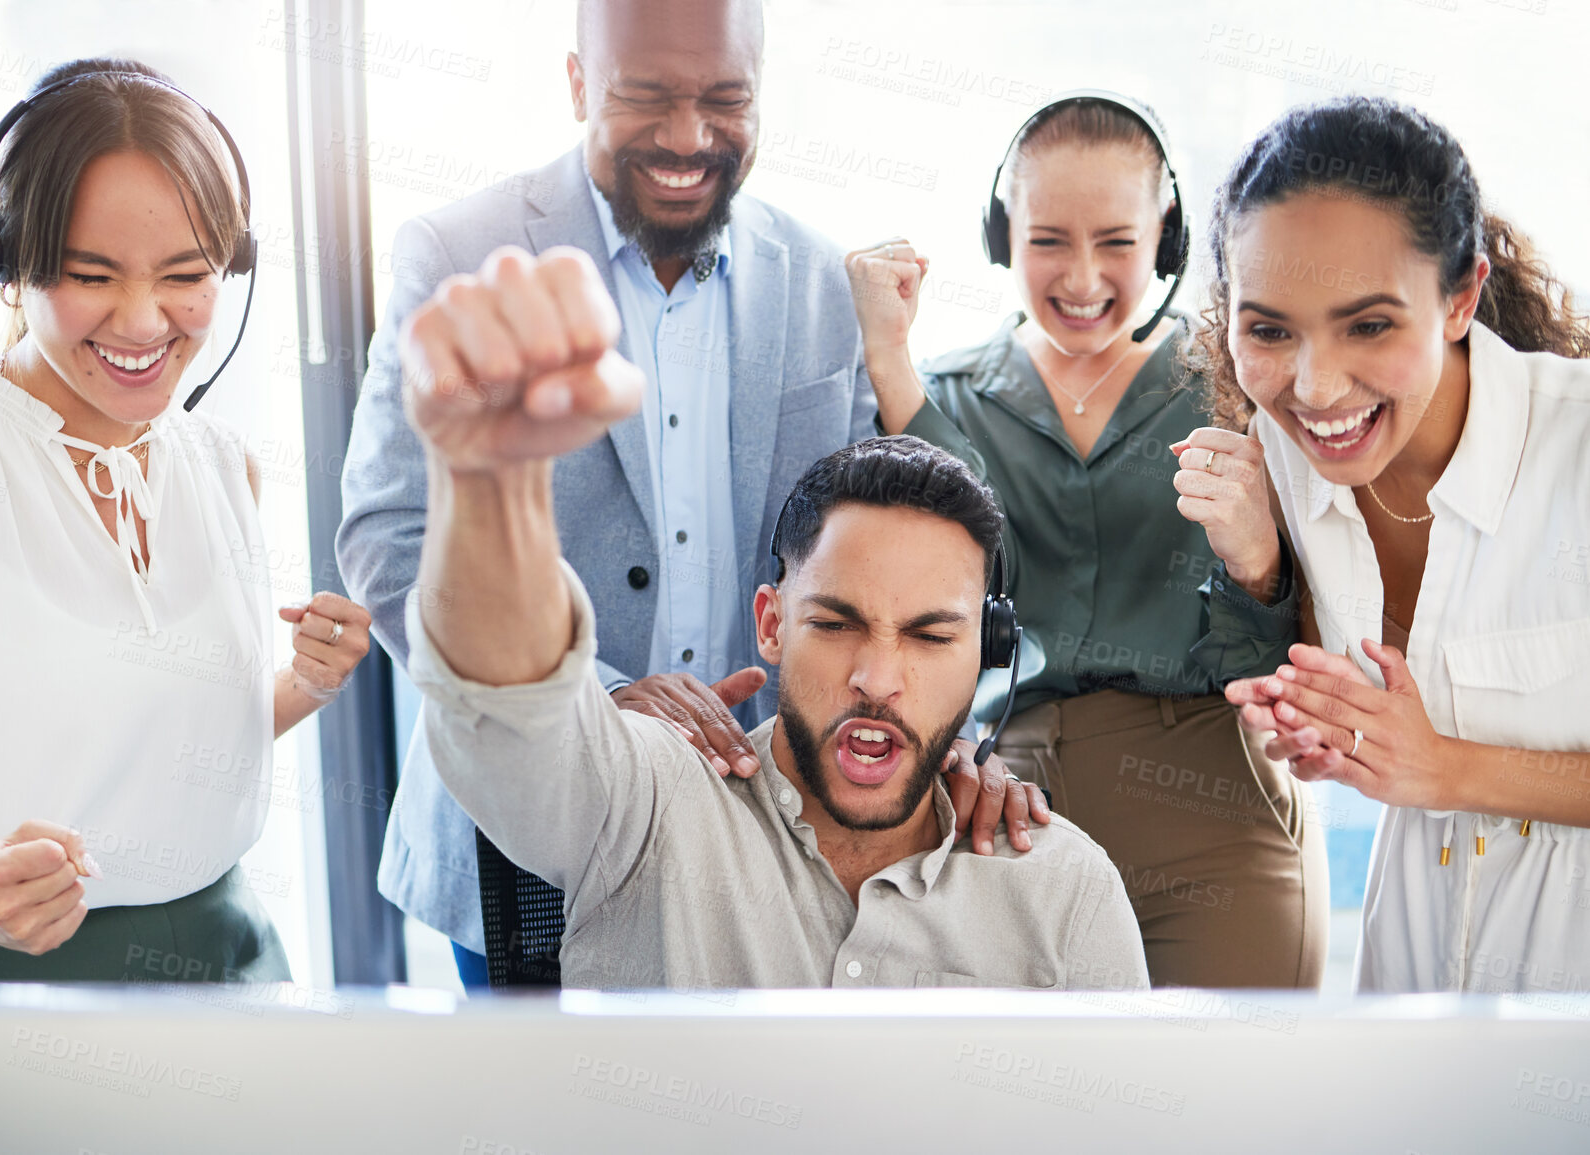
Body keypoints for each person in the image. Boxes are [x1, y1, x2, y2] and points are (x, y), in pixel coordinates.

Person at [338, 0, 1039, 988]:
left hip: (766, 829)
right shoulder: (458, 251)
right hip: (527, 835)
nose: (686, 135)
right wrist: (604, 703)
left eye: (724, 99)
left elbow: (870, 564)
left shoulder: (817, 281)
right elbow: (390, 535)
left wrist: (940, 740)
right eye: (644, 96)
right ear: (578, 83)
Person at [393, 243, 1148, 989]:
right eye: (835, 622)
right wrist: (488, 484)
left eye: (928, 634)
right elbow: (514, 712)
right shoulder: (649, 807)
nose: (877, 678)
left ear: (986, 650)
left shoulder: (1063, 892)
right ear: (771, 623)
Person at [0, 60, 371, 981]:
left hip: (233, 961)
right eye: (91, 275)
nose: (143, 322)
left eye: (185, 275)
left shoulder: (222, 464)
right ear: (8, 261)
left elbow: (150, 751)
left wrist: (303, 683)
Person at [844, 92, 1327, 988]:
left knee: (1229, 1109)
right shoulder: (936, 395)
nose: (1081, 278)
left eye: (1115, 242)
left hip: (1213, 811)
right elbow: (940, 593)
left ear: (1168, 237)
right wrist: (892, 373)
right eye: (1047, 242)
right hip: (1016, 816)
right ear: (1001, 235)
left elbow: (1283, 651)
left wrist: (1256, 562)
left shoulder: (1236, 388)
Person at [1193, 96, 1590, 994]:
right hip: (1413, 973)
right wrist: (1323, 719)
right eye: (1267, 329)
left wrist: (1441, 769)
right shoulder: (1281, 463)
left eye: (1367, 325)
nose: (1314, 384)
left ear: (1460, 299)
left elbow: (1430, 760)